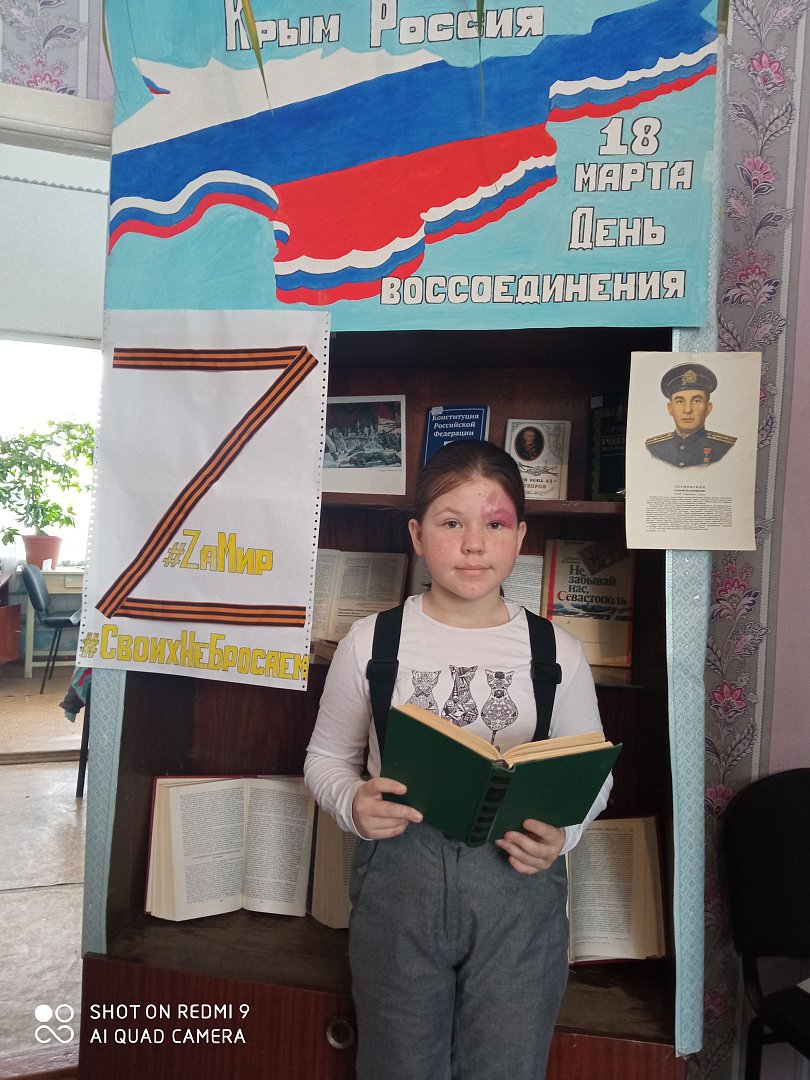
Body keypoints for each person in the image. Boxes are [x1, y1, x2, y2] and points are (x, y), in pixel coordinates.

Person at [304, 439, 612, 1080]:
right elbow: (326, 757)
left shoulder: (557, 651)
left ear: (520, 536)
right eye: (451, 523)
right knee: (397, 1063)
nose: (474, 545)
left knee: (507, 1064)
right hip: (399, 885)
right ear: (418, 536)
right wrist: (353, 803)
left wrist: (565, 833)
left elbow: (594, 773)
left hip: (518, 887)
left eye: (494, 525)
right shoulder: (372, 642)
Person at [645, 363, 736, 467]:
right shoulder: (652, 449)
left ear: (708, 408)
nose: (687, 410)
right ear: (670, 409)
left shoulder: (727, 448)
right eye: (679, 401)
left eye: (696, 401)